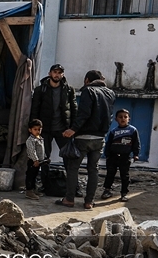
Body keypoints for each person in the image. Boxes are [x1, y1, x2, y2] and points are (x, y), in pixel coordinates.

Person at [58, 70, 116, 209]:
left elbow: (84, 113)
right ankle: (89, 201)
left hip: (83, 137)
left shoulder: (88, 91)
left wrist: (73, 130)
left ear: (87, 80)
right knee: (93, 169)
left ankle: (69, 199)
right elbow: (109, 115)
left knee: (73, 168)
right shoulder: (110, 93)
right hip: (100, 138)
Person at [30, 63, 77, 188]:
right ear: (50, 73)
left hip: (63, 129)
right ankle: (45, 185)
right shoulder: (41, 90)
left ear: (63, 74)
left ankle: (73, 186)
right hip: (45, 129)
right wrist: (34, 128)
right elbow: (35, 110)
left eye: (60, 72)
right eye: (55, 72)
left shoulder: (68, 90)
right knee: (44, 158)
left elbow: (74, 109)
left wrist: (73, 128)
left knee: (69, 158)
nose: (57, 75)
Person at [102, 109, 140, 202]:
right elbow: (108, 143)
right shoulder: (113, 131)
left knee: (124, 176)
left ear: (129, 119)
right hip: (113, 156)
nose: (123, 119)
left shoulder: (133, 130)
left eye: (125, 117)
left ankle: (124, 193)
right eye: (120, 117)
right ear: (116, 119)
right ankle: (107, 191)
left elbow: (136, 143)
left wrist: (136, 154)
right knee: (110, 174)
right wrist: (107, 155)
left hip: (125, 156)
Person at [24, 119, 46, 200]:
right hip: (33, 161)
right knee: (30, 176)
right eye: (35, 129)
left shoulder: (40, 138)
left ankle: (33, 189)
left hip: (38, 161)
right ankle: (29, 191)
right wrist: (35, 160)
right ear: (30, 130)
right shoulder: (30, 140)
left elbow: (42, 150)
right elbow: (32, 151)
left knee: (35, 176)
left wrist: (44, 158)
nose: (37, 131)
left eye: (39, 129)